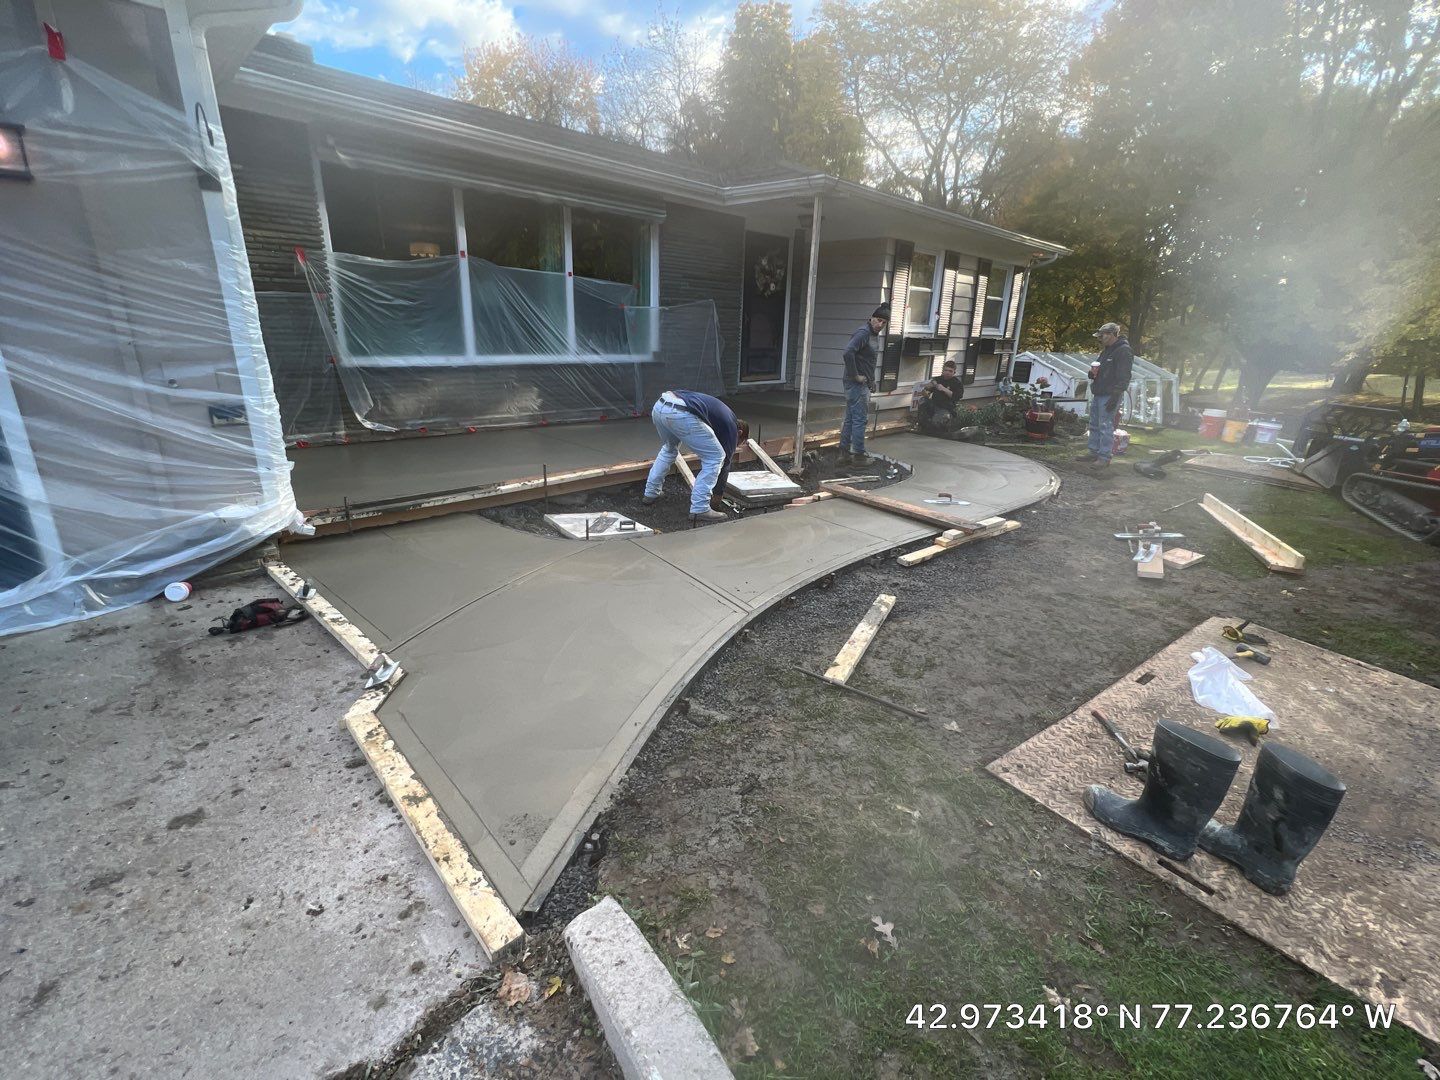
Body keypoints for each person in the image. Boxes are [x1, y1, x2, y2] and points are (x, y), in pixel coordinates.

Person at [642, 390, 748, 523]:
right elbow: (726, 462)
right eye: (739, 442)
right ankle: (700, 508)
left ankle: (651, 493)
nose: (734, 444)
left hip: (661, 405)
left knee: (669, 449)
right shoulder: (731, 427)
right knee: (715, 457)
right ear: (739, 432)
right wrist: (717, 497)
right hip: (681, 412)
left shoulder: (719, 417)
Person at [1077, 322, 1133, 467]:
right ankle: (1093, 452)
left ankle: (1104, 457)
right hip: (1099, 392)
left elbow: (1124, 375)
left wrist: (1116, 395)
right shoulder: (1106, 351)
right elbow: (1101, 369)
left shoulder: (1123, 351)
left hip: (1110, 394)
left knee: (1105, 425)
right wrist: (1093, 373)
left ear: (1112, 335)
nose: (1101, 339)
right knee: (1094, 424)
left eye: (1103, 336)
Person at [839, 304, 888, 466]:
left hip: (863, 383)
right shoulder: (863, 333)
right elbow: (848, 352)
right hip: (856, 385)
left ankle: (844, 453)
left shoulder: (874, 335)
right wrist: (855, 376)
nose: (880, 324)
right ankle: (859, 456)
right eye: (878, 320)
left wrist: (872, 381)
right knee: (860, 419)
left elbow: (868, 362)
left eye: (884, 322)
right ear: (871, 318)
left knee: (851, 419)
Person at [917, 359, 965, 435]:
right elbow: (926, 394)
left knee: (937, 423)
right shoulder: (938, 379)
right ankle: (922, 426)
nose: (947, 373)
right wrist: (925, 389)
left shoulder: (957, 383)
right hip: (934, 405)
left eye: (950, 371)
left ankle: (942, 428)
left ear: (954, 372)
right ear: (943, 371)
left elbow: (957, 397)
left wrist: (944, 389)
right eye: (946, 370)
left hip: (946, 408)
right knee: (923, 401)